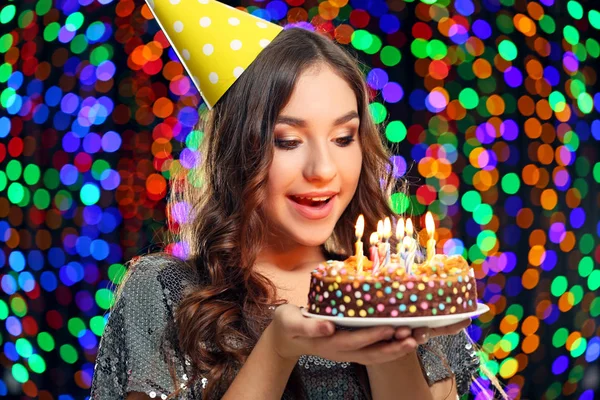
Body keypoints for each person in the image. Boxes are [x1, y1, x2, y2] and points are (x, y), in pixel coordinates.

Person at [91, 1, 488, 399]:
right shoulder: (164, 291)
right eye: (288, 141)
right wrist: (278, 346)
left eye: (343, 138)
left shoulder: (405, 286)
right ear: (238, 151)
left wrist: (386, 329)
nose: (322, 169)